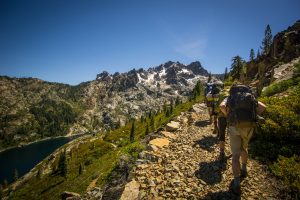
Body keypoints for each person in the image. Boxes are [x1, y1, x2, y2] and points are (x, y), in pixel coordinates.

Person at [219, 84, 266, 194]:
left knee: (235, 155)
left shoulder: (230, 97)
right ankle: (244, 169)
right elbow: (263, 106)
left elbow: (221, 106)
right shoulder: (251, 96)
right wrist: (254, 117)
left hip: (234, 126)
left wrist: (227, 115)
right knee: (244, 148)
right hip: (248, 126)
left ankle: (236, 183)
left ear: (232, 90)